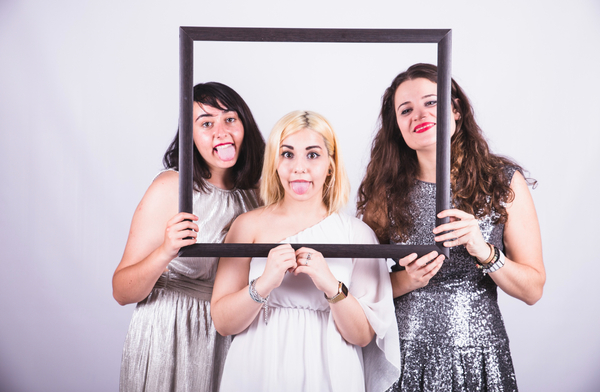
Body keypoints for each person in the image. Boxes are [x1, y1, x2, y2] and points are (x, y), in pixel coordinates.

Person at [357, 63, 545, 392]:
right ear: (397, 125)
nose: (419, 115)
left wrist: (485, 251)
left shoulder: (503, 183)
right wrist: (404, 280)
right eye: (406, 110)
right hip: (406, 358)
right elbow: (360, 288)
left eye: (431, 102)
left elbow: (533, 290)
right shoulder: (385, 193)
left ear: (455, 110)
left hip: (480, 355)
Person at [211, 110, 400, 392]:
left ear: (331, 165)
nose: (299, 167)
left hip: (332, 371)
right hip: (257, 367)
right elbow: (223, 322)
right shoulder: (246, 226)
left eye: (312, 155)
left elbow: (362, 336)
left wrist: (330, 284)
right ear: (274, 162)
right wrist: (264, 283)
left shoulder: (357, 234)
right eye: (287, 154)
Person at [112, 82, 265, 392]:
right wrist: (165, 251)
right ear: (191, 137)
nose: (221, 131)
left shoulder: (260, 193)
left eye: (230, 119)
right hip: (171, 329)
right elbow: (121, 291)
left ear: (245, 125)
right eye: (206, 123)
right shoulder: (172, 187)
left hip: (234, 333)